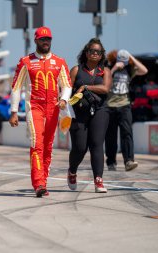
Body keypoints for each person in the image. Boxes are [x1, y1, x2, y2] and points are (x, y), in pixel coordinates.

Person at [9, 26, 72, 197]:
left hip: (54, 108)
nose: (46, 42)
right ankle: (38, 183)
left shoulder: (59, 62)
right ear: (36, 40)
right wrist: (14, 111)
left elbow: (67, 85)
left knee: (48, 146)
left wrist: (64, 99)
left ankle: (43, 181)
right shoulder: (26, 62)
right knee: (37, 143)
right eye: (43, 39)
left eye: (48, 39)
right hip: (34, 107)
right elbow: (16, 88)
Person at [66, 38, 111, 193]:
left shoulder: (105, 71)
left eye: (98, 52)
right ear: (86, 53)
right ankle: (72, 171)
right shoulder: (76, 70)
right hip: (78, 113)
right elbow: (67, 90)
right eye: (91, 51)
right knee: (79, 148)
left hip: (100, 110)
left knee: (97, 144)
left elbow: (105, 89)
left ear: (101, 55)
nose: (94, 54)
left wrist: (85, 87)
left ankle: (98, 180)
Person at [105, 49, 148, 171]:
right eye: (120, 60)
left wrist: (131, 57)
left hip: (125, 105)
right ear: (115, 59)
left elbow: (144, 70)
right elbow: (104, 80)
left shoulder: (129, 69)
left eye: (124, 61)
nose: (122, 63)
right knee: (111, 136)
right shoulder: (108, 68)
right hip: (110, 105)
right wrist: (114, 68)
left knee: (127, 133)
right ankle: (111, 162)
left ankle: (129, 160)